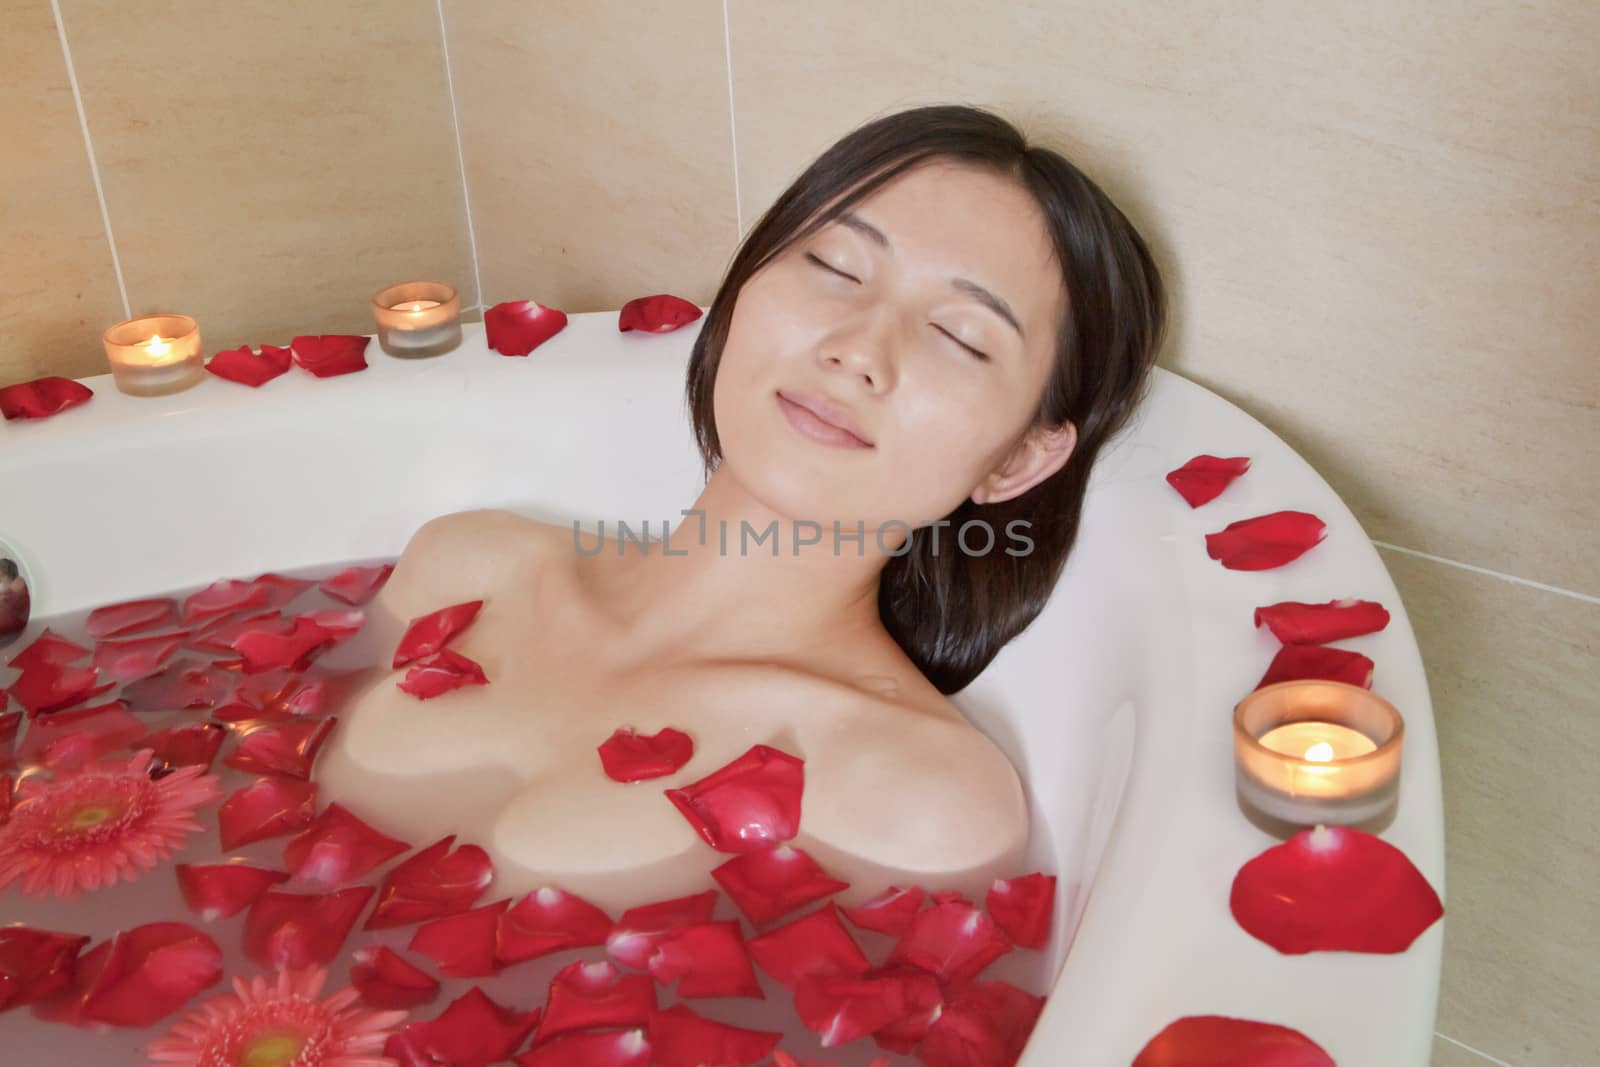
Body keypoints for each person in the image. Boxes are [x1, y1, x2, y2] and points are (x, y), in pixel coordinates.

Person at [316, 104, 1167, 913]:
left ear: (1020, 457)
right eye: (836, 267)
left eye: (961, 337)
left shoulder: (914, 792)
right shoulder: (467, 564)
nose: (857, 351)